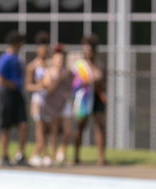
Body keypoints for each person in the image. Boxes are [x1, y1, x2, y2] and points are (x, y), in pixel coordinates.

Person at [72, 34, 107, 166]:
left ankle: (101, 158)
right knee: (80, 126)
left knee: (100, 125)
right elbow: (75, 84)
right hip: (84, 98)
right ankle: (76, 156)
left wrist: (97, 82)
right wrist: (88, 81)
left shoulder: (100, 66)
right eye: (85, 50)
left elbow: (104, 85)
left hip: (97, 97)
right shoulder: (79, 65)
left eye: (89, 50)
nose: (87, 53)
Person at [0, 29, 28, 166]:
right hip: (7, 95)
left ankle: (20, 155)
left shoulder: (18, 58)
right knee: (5, 126)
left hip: (18, 95)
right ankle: (4, 156)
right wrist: (13, 84)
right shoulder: (5, 58)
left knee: (24, 124)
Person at [40, 45, 73, 165]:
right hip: (53, 105)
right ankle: (53, 156)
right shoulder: (49, 72)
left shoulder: (68, 73)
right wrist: (58, 79)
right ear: (53, 60)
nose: (60, 62)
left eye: (62, 60)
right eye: (58, 60)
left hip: (64, 104)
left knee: (67, 131)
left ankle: (62, 150)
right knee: (53, 132)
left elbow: (71, 88)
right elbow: (48, 89)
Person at [25, 32, 51, 167]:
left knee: (46, 128)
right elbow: (28, 85)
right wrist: (39, 86)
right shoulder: (32, 66)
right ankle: (45, 155)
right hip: (38, 99)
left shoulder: (51, 65)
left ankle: (35, 154)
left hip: (49, 100)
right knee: (39, 127)